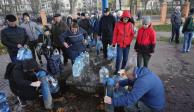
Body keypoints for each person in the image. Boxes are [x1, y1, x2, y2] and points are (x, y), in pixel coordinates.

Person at [112, 10, 135, 74]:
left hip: (127, 45)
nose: (126, 20)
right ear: (122, 18)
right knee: (119, 59)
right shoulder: (117, 24)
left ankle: (122, 70)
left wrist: (129, 41)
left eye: (127, 19)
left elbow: (132, 34)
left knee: (125, 59)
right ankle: (116, 70)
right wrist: (114, 43)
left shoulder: (130, 25)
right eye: (125, 18)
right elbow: (115, 34)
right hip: (120, 45)